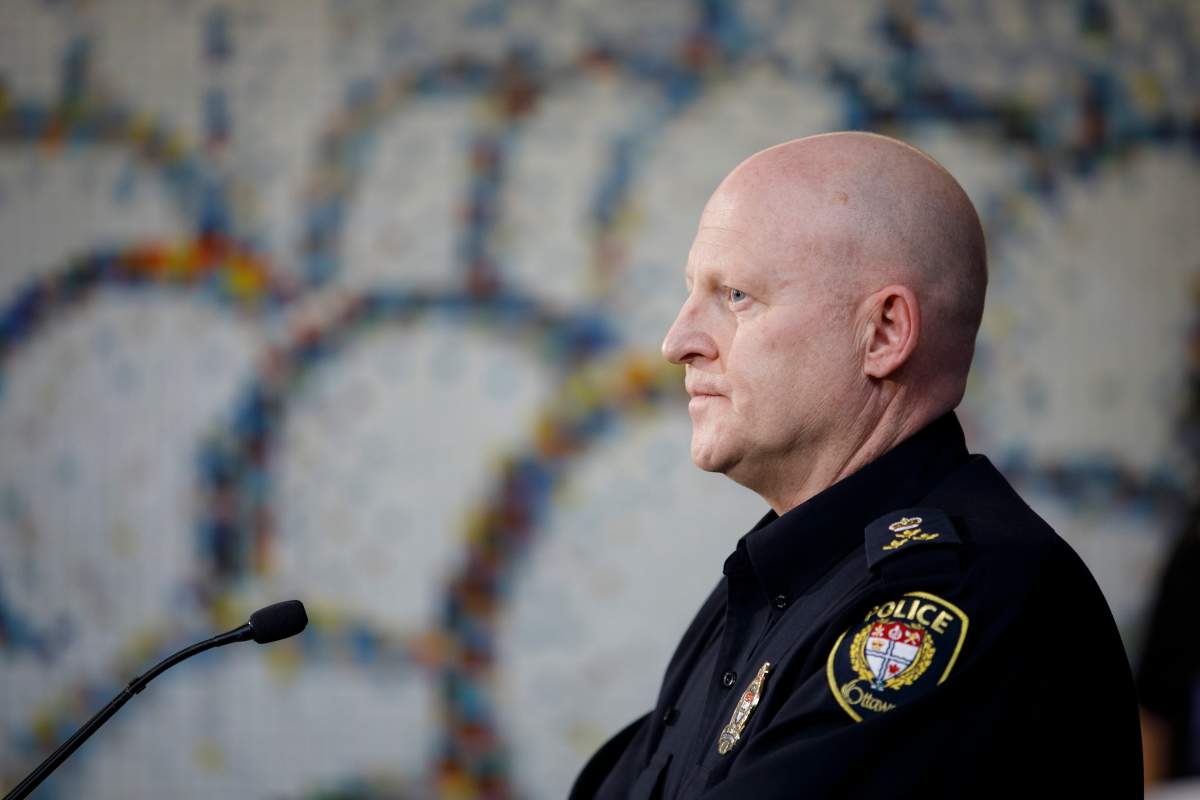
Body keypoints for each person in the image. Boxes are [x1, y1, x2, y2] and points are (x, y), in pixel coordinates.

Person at [569, 131, 1142, 798]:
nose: (678, 342)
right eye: (692, 292)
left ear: (885, 333)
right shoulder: (766, 583)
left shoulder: (965, 596)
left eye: (736, 296)